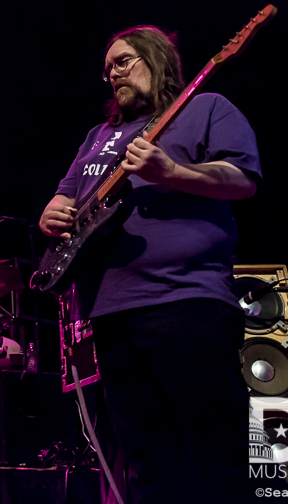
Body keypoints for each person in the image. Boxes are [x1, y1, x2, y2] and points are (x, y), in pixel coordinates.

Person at [38, 26, 260, 504]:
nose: (111, 74)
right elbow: (67, 193)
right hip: (111, 311)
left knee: (215, 448)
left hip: (186, 300)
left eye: (122, 62)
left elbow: (241, 179)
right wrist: (52, 211)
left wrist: (172, 172)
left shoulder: (206, 109)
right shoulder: (99, 136)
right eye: (106, 69)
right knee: (146, 460)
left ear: (157, 59)